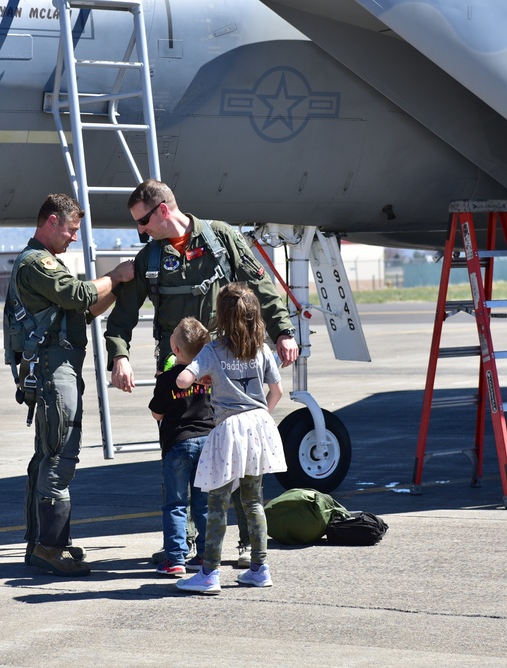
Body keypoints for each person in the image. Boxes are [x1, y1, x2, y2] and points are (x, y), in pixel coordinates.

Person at [104, 179, 298, 565]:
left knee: (235, 459)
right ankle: (187, 544)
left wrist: (284, 331)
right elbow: (122, 315)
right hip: (179, 374)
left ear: (162, 210)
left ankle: (246, 542)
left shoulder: (220, 238)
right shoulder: (151, 258)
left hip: (225, 367)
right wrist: (119, 356)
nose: (139, 231)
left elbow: (259, 285)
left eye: (142, 221)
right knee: (181, 455)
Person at [11, 193, 134, 577]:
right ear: (51, 222)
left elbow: (84, 309)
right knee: (59, 457)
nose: (74, 237)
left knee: (48, 455)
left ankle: (43, 544)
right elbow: (78, 294)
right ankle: (49, 547)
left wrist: (119, 289)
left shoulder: (49, 265)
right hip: (53, 371)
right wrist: (116, 275)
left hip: (58, 369)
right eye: (70, 229)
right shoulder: (38, 264)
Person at [175, 283, 287, 594]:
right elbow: (276, 391)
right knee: (253, 500)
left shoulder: (213, 350)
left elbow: (184, 379)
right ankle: (259, 567)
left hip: (228, 430)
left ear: (222, 316)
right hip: (258, 425)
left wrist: (191, 371)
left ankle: (209, 573)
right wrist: (262, 414)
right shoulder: (262, 349)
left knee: (218, 503)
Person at [148, 317, 215, 577]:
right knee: (204, 503)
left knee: (176, 503)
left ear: (175, 350)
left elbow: (157, 414)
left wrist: (162, 382)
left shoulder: (168, 379)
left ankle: (175, 558)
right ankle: (208, 554)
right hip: (207, 442)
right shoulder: (208, 377)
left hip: (178, 444)